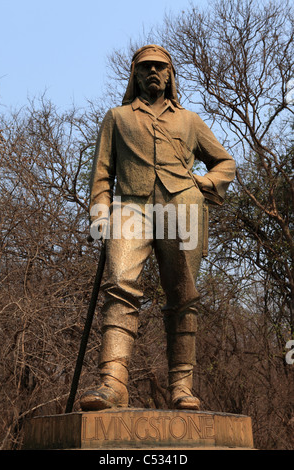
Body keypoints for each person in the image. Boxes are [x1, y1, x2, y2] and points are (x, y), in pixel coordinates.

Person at [80, 45, 236, 411]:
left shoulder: (190, 121)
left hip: (182, 208)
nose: (153, 72)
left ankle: (182, 387)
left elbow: (225, 162)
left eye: (160, 67)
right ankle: (113, 383)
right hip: (130, 207)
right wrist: (100, 214)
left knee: (183, 296)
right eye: (146, 66)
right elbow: (102, 173)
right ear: (134, 73)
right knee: (120, 285)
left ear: (170, 75)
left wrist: (203, 184)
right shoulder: (116, 118)